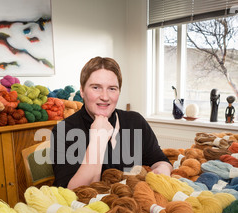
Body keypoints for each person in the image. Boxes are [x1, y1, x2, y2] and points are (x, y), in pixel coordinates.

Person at [50, 56, 172, 189]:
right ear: (82, 91)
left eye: (112, 88)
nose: (105, 97)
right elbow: (72, 192)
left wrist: (163, 169)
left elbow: (160, 160)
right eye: (96, 87)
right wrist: (98, 139)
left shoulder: (135, 122)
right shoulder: (64, 130)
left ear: (119, 91)